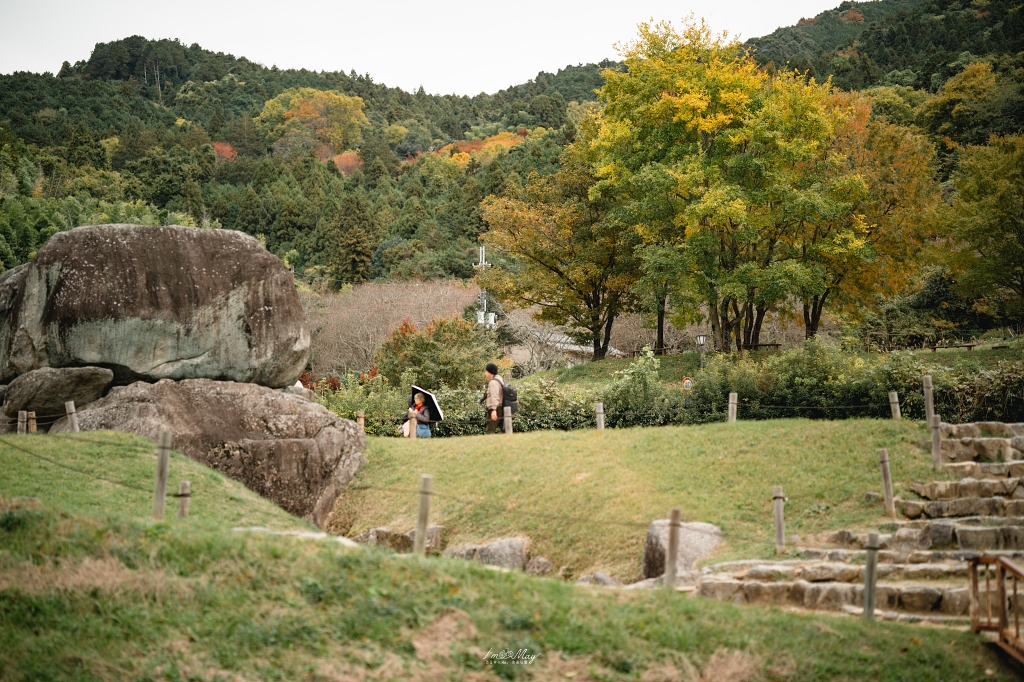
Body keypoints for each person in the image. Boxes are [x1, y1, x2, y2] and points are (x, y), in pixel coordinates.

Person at [483, 362, 504, 434]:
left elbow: (495, 397)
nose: (485, 373)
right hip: (501, 407)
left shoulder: (493, 383)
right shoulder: (499, 378)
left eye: (486, 371)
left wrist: (493, 410)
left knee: (490, 430)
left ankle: (491, 445)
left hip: (496, 408)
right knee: (505, 430)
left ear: (490, 372)